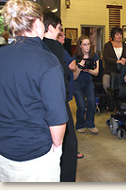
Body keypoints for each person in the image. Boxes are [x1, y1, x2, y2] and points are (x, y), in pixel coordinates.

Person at [0, 0, 67, 182]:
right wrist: (57, 147)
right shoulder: (48, 61)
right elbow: (57, 117)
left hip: (4, 151)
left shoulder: (2, 55)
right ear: (37, 23)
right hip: (36, 155)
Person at [43, 11, 78, 182]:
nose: (60, 32)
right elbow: (62, 71)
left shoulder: (38, 45)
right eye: (59, 28)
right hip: (57, 101)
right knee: (69, 144)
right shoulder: (54, 45)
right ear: (50, 27)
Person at [73, 35, 100, 134]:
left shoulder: (94, 56)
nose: (87, 47)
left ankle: (90, 124)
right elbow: (74, 76)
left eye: (88, 44)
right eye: (84, 45)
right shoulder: (76, 57)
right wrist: (79, 68)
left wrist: (88, 70)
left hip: (88, 82)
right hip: (77, 83)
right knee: (81, 105)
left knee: (92, 102)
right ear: (80, 46)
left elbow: (96, 72)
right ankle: (79, 124)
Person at [103, 27, 126, 92]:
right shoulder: (107, 45)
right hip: (109, 71)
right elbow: (106, 58)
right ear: (113, 35)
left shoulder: (125, 46)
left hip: (122, 71)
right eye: (117, 34)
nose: (119, 36)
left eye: (120, 34)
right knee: (106, 85)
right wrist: (117, 61)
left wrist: (125, 60)